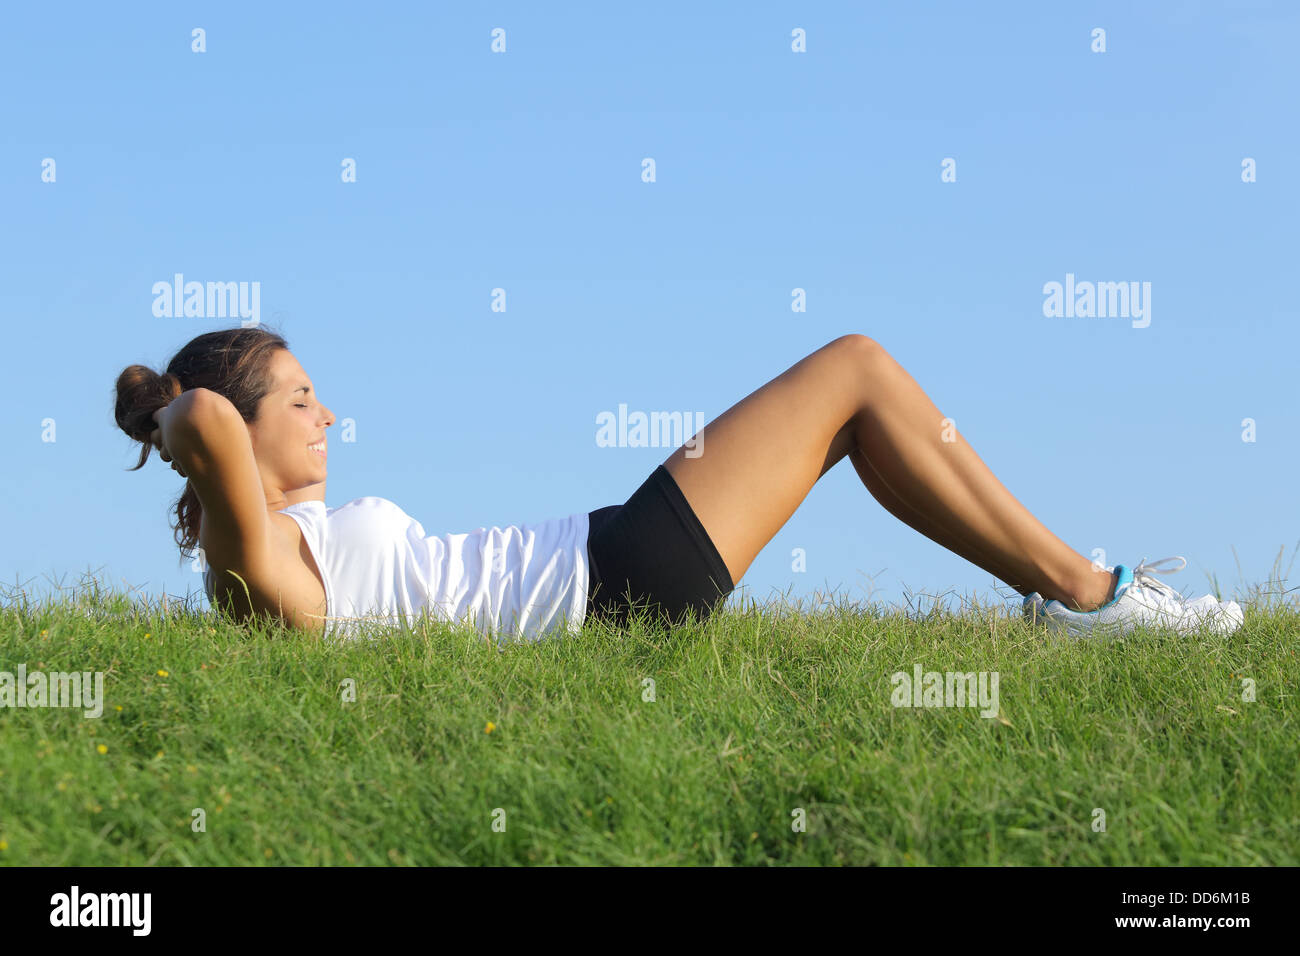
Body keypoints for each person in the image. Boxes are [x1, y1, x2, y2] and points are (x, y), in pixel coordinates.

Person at [114, 327, 1243, 641]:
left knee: (858, 412)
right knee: (854, 370)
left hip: (614, 558)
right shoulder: (255, 573)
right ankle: (1089, 596)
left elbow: (220, 422)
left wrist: (177, 418)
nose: (326, 411)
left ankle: (1074, 596)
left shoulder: (286, 541)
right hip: (615, 576)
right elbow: (208, 417)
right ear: (236, 432)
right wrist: (167, 410)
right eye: (300, 395)